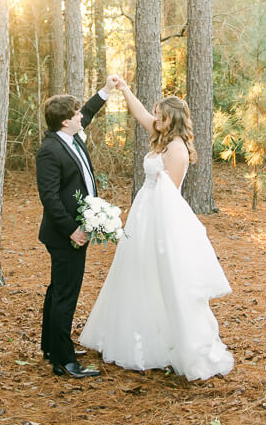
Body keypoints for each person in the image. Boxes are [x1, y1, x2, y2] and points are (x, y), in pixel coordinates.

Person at [79, 80, 234, 381]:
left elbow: (170, 196)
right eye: (155, 113)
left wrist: (162, 238)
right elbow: (139, 115)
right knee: (135, 274)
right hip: (143, 214)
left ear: (171, 119)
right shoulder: (161, 137)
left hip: (161, 220)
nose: (154, 117)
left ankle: (169, 343)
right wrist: (124, 90)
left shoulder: (176, 150)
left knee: (160, 275)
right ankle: (131, 333)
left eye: (159, 114)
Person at [36, 76, 119, 379]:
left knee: (58, 290)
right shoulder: (50, 150)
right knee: (65, 295)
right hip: (65, 235)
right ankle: (64, 361)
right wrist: (72, 229)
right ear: (65, 121)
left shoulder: (70, 138)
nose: (81, 115)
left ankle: (51, 346)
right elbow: (49, 197)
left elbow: (89, 110)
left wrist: (107, 91)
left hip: (73, 231)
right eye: (76, 114)